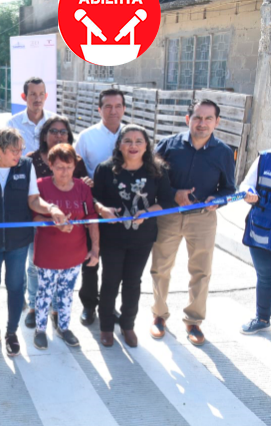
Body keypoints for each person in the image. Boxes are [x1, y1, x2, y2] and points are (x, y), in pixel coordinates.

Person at [0, 128, 69, 355]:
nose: (19, 154)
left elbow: (33, 200)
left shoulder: (26, 166)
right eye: (14, 150)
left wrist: (51, 209)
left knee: (16, 287)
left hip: (18, 242)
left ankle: (11, 333)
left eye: (20, 149)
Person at [151, 99, 236, 346]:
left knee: (201, 270)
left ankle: (194, 321)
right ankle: (158, 315)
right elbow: (153, 179)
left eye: (209, 118)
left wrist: (217, 200)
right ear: (188, 119)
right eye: (198, 117)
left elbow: (229, 188)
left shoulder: (223, 152)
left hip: (203, 220)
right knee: (160, 267)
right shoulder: (168, 146)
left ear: (217, 122)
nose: (202, 123)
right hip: (169, 215)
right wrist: (173, 193)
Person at [93, 126, 174, 348]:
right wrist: (102, 210)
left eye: (139, 141)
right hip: (112, 238)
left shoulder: (157, 170)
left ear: (147, 145)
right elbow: (93, 199)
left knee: (133, 282)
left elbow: (167, 200)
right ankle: (106, 327)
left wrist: (148, 212)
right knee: (110, 281)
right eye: (127, 141)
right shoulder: (105, 169)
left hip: (143, 238)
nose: (133, 145)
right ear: (119, 145)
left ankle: (128, 325)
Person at [24, 115, 90, 328]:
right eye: (53, 131)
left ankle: (55, 310)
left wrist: (87, 182)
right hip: (38, 224)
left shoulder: (74, 158)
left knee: (61, 274)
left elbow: (82, 185)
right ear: (44, 135)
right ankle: (34, 307)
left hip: (67, 227)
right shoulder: (31, 159)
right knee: (35, 267)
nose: (59, 135)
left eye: (63, 131)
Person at [32, 143, 99, 350]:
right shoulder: (41, 186)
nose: (65, 172)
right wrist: (53, 223)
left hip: (74, 253)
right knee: (44, 292)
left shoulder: (82, 188)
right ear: (50, 165)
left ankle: (63, 327)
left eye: (69, 167)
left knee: (66, 293)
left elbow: (91, 219)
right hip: (47, 253)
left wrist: (95, 249)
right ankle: (40, 329)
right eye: (60, 167)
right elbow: (33, 216)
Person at [73, 88, 126, 326]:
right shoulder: (86, 137)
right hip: (93, 207)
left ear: (124, 108)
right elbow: (74, 170)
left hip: (124, 207)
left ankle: (108, 305)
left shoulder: (132, 134)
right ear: (99, 109)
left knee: (115, 263)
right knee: (90, 260)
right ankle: (88, 305)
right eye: (108, 106)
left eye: (118, 106)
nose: (113, 111)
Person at [239, 142, 271, 348]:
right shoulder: (266, 158)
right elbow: (245, 185)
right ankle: (262, 319)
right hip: (263, 230)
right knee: (265, 278)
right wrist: (248, 193)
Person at [7, 77, 56, 155]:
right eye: (33, 94)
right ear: (24, 97)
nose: (38, 99)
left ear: (46, 96)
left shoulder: (55, 121)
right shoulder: (13, 124)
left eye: (41, 94)